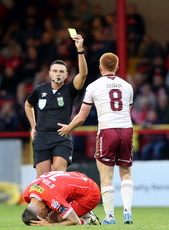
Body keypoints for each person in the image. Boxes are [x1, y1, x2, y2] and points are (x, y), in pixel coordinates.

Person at [58, 53, 134, 224]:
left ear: (100, 68)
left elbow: (81, 117)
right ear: (117, 67)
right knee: (126, 174)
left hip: (107, 131)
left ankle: (110, 217)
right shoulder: (127, 86)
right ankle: (127, 213)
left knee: (106, 176)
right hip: (126, 130)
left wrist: (68, 128)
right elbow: (127, 110)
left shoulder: (93, 86)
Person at [25, 34, 87, 177]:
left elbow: (83, 74)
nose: (58, 74)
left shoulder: (69, 90)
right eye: (55, 71)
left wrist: (80, 50)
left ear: (66, 75)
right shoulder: (40, 90)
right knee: (43, 179)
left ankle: (57, 200)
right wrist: (33, 126)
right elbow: (28, 105)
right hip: (42, 136)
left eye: (61, 71)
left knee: (58, 177)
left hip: (61, 136)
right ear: (50, 74)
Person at [22, 171, 101, 226]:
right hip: (78, 179)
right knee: (56, 211)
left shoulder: (52, 198)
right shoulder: (27, 193)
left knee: (51, 219)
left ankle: (89, 221)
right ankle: (84, 213)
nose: (45, 217)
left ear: (41, 210)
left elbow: (74, 221)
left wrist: (49, 224)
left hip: (91, 193)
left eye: (43, 216)